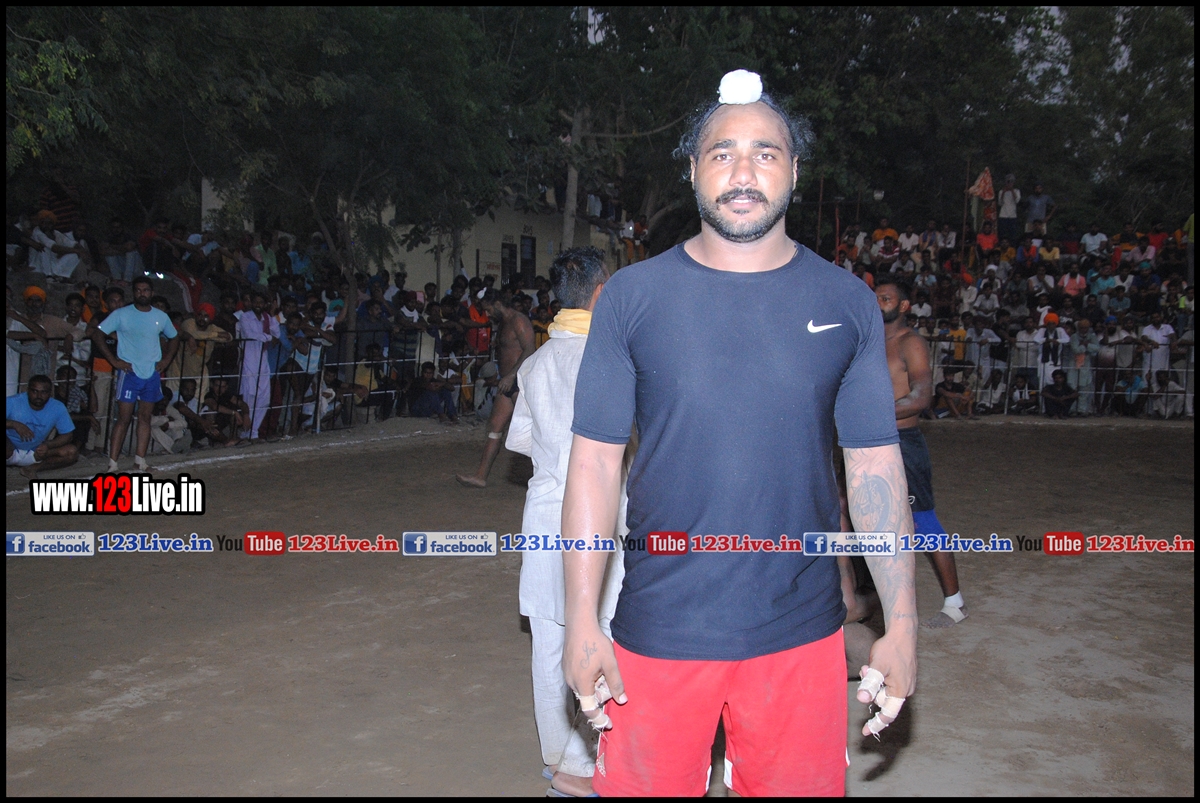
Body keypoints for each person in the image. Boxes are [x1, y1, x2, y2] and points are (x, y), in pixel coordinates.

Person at [560, 73, 916, 797]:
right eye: (722, 153)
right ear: (692, 170)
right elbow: (593, 465)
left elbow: (875, 470)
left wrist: (903, 622)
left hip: (800, 635)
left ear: (795, 171)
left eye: (765, 152)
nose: (743, 171)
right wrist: (580, 621)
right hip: (659, 630)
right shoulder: (631, 298)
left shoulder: (846, 302)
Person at [504, 247, 625, 797]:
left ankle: (559, 758)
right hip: (599, 516)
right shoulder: (614, 359)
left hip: (545, 514)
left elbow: (518, 439)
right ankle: (593, 759)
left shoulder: (537, 363)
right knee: (603, 630)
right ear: (601, 292)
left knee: (549, 642)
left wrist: (555, 458)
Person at [875, 279, 966, 629]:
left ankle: (955, 603)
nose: (878, 302)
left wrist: (869, 414)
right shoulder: (870, 340)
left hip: (902, 442)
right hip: (868, 444)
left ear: (903, 306)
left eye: (886, 298)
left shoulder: (910, 342)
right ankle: (870, 598)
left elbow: (921, 396)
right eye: (875, 297)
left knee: (921, 521)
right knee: (855, 514)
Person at [92, 276, 180, 472]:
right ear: (133, 293)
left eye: (146, 290)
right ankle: (112, 464)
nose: (142, 293)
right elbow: (98, 334)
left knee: (145, 417)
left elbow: (174, 337)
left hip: (151, 373)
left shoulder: (160, 316)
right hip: (129, 373)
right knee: (123, 418)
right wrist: (114, 361)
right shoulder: (122, 314)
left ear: (151, 292)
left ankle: (140, 461)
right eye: (138, 290)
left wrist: (166, 360)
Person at [455, 289, 535, 487]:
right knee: (494, 428)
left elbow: (530, 349)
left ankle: (549, 477)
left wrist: (511, 375)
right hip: (507, 382)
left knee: (534, 431)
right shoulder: (504, 323)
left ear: (498, 304)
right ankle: (480, 476)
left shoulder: (518, 320)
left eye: (489, 309)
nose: (487, 314)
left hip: (520, 381)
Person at [6, 374, 78, 478]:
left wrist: (48, 445)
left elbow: (67, 435)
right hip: (9, 450)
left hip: (36, 452)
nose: (39, 396)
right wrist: (14, 424)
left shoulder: (57, 407)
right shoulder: (12, 402)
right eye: (35, 391)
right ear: (27, 390)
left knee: (71, 452)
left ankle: (31, 469)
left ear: (50, 393)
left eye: (44, 392)